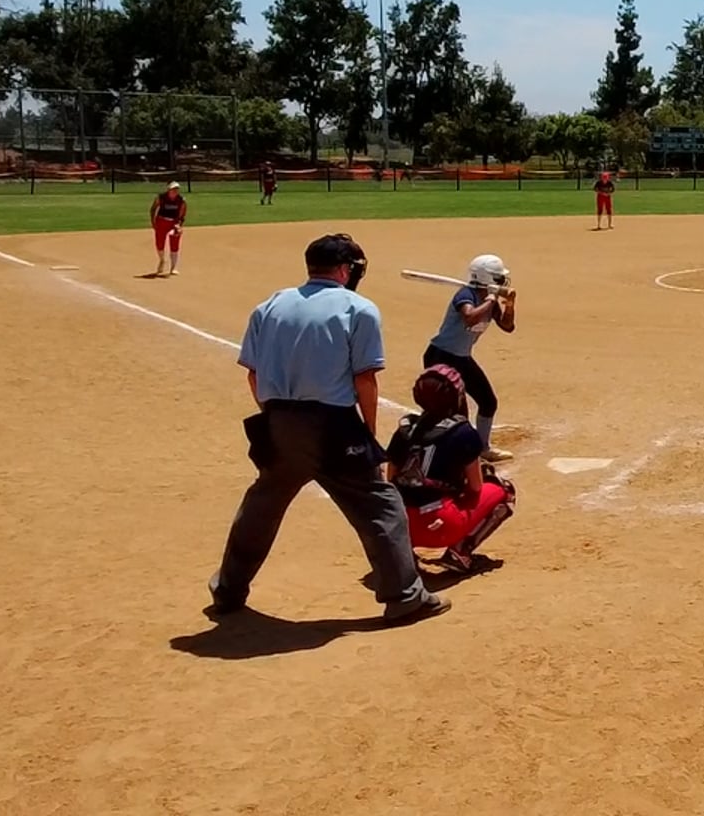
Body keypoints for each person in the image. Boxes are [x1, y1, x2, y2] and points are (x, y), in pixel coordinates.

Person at [209, 234, 449, 626]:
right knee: (380, 505)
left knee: (262, 506)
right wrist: (368, 434)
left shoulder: (270, 305)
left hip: (278, 420)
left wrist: (277, 418)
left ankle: (228, 590)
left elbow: (253, 375)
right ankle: (405, 598)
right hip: (332, 427)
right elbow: (365, 379)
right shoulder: (358, 309)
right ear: (344, 270)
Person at [386, 365, 517, 574]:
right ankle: (460, 552)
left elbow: (391, 481)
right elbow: (475, 487)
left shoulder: (405, 429)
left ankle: (405, 553)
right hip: (441, 526)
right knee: (504, 491)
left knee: (406, 497)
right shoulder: (462, 432)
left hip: (399, 525)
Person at [421, 254, 517, 459]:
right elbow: (470, 317)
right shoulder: (465, 295)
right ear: (487, 278)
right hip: (441, 357)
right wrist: (491, 299)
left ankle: (482, 448)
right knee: (453, 410)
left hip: (461, 359)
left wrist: (509, 305)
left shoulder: (489, 302)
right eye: (498, 278)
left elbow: (507, 326)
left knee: (488, 401)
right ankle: (427, 446)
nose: (502, 282)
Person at [149, 181, 186, 276]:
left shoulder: (181, 200)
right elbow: (153, 209)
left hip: (174, 223)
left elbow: (182, 213)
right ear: (169, 189)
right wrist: (153, 221)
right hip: (161, 221)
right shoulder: (161, 197)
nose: (175, 191)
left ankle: (173, 268)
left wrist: (179, 225)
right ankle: (162, 260)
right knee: (159, 243)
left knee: (174, 244)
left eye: (177, 189)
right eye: (173, 189)